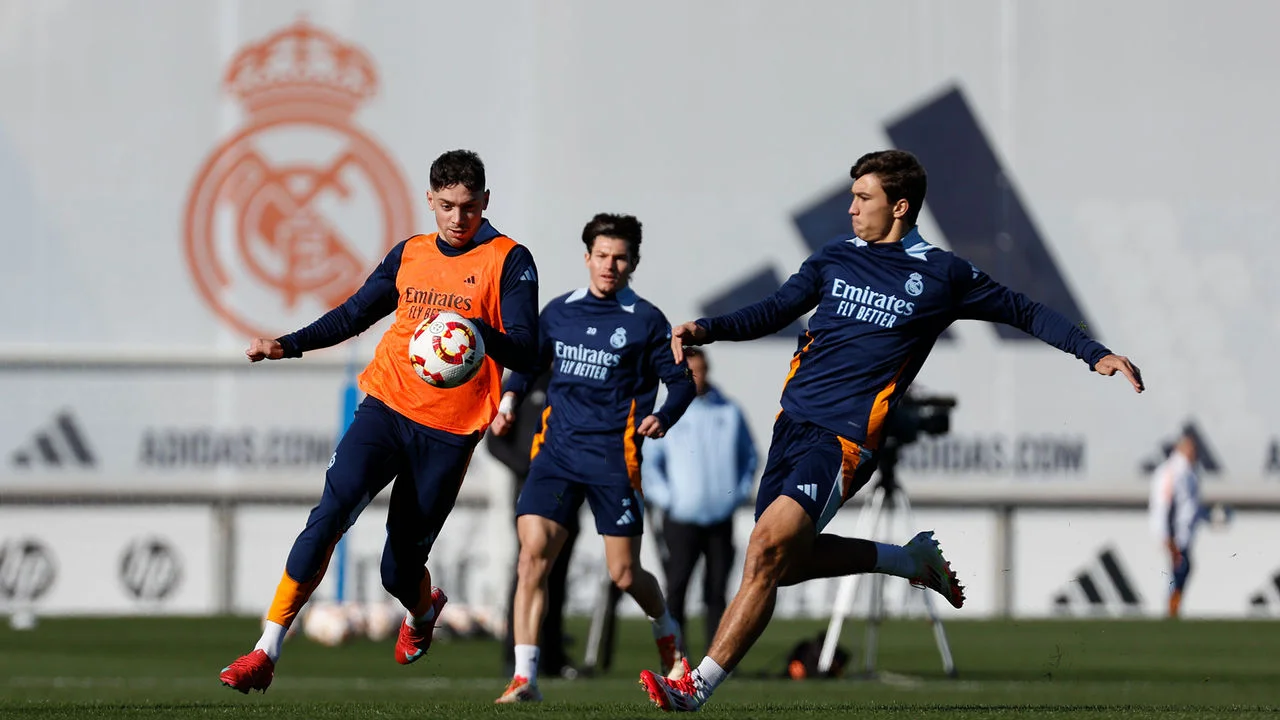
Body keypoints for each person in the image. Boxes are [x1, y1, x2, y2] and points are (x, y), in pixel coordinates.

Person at [639, 149, 1145, 711]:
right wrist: (707, 329)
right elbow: (776, 309)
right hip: (791, 429)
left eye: (864, 198)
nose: (852, 208)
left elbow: (1024, 310)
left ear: (900, 206)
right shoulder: (833, 258)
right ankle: (905, 560)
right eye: (852, 196)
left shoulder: (943, 274)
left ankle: (694, 688)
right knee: (780, 567)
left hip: (844, 440)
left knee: (763, 550)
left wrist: (1092, 352)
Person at [218, 149, 540, 693]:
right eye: (445, 206)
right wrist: (287, 344)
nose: (457, 219)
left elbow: (528, 352)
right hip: (386, 406)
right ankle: (265, 651)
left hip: (449, 432)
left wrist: (480, 336)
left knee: (399, 570)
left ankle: (421, 611)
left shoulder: (509, 260)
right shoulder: (410, 254)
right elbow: (354, 313)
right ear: (429, 201)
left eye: (467, 207)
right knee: (330, 514)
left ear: (485, 202)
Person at [490, 213, 697, 703]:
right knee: (532, 558)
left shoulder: (646, 321)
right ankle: (525, 678)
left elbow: (683, 382)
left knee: (624, 573)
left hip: (612, 461)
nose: (610, 265)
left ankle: (666, 630)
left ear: (633, 263)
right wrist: (509, 402)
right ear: (587, 258)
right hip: (555, 455)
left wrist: (664, 417)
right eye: (602, 256)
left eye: (620, 257)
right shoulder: (559, 313)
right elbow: (526, 365)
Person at [643, 348, 757, 653]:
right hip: (681, 518)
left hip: (720, 517)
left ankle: (716, 659)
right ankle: (676, 657)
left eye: (701, 370)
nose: (697, 378)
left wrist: (737, 495)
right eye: (690, 372)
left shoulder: (728, 411)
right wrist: (670, 498)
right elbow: (649, 464)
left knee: (717, 592)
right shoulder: (668, 412)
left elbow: (749, 457)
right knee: (677, 589)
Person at [485, 369, 582, 678]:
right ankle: (514, 657)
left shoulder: (574, 382)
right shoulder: (521, 385)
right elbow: (495, 441)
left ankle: (553, 657)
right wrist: (530, 467)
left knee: (558, 576)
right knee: (528, 570)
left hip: (567, 492)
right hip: (530, 492)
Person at [1148, 428, 1206, 618]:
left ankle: (1174, 604)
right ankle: (1172, 604)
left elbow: (1189, 505)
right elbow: (1167, 505)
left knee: (1182, 567)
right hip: (1174, 532)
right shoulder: (1174, 471)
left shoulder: (1187, 470)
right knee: (1182, 566)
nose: (1193, 452)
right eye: (1190, 448)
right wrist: (1169, 535)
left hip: (1181, 531)